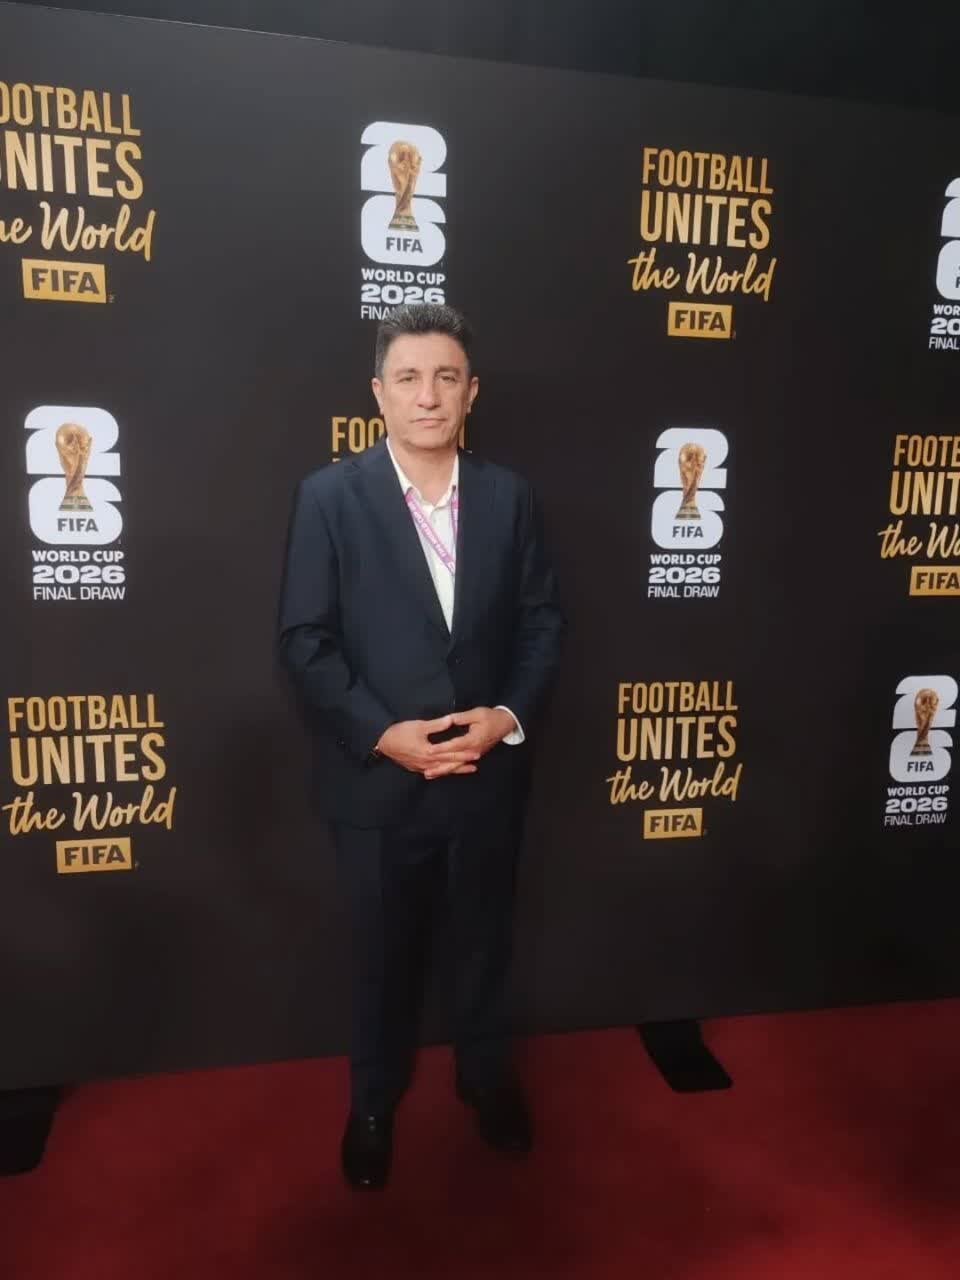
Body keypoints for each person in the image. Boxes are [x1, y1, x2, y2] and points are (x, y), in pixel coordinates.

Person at [278, 303, 564, 1189]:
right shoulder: (328, 498)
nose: (428, 395)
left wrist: (505, 716)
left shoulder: (511, 497)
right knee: (380, 955)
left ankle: (486, 1081)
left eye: (446, 377)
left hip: (485, 775)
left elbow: (542, 623)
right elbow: (305, 641)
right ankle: (372, 1103)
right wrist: (380, 734)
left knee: (484, 945)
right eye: (408, 378)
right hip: (376, 785)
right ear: (379, 393)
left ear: (472, 392)